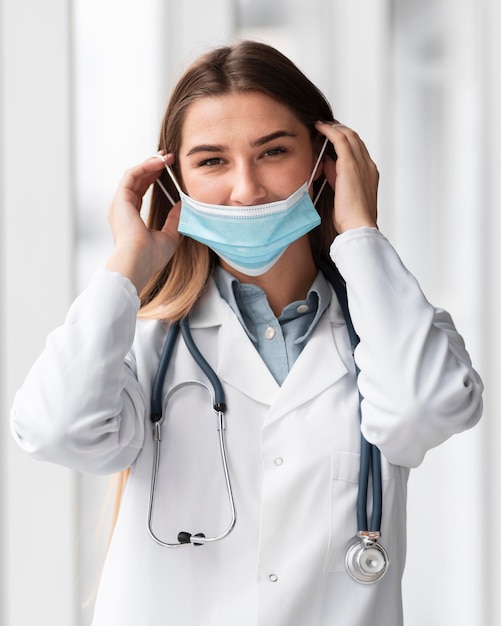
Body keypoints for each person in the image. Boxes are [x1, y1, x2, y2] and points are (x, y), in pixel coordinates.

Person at [11, 40, 483, 626]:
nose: (246, 189)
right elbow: (55, 430)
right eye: (211, 161)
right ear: (174, 181)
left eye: (273, 152)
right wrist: (128, 265)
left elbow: (429, 408)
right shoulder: (143, 347)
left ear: (325, 161)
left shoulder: (393, 331)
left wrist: (359, 232)